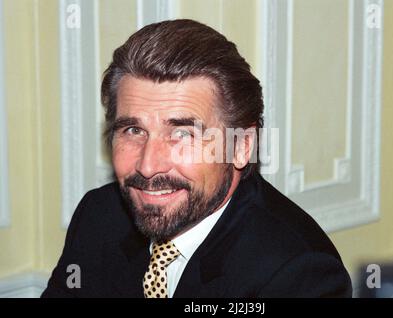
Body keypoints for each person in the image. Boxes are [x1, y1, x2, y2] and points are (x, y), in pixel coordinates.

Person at [42, 19, 352, 298]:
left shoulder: (298, 275)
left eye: (183, 134)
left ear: (242, 146)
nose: (148, 166)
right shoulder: (99, 217)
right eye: (134, 130)